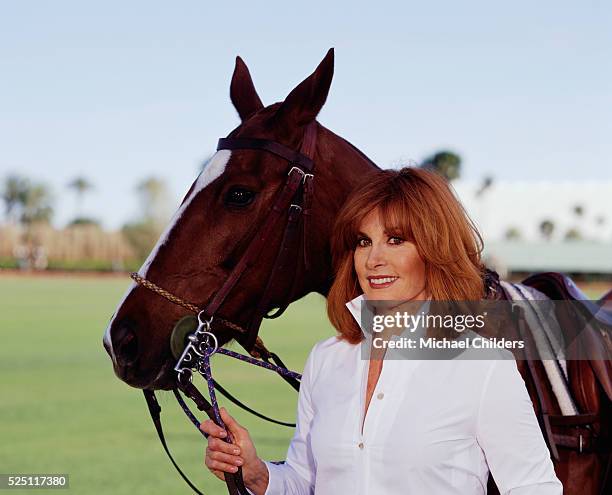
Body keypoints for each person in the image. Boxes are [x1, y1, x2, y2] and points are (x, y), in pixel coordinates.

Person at [201, 167, 563, 494]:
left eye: (395, 240)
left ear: (435, 250)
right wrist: (257, 475)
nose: (373, 259)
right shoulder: (326, 359)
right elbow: (305, 482)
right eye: (363, 241)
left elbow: (534, 487)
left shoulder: (482, 365)